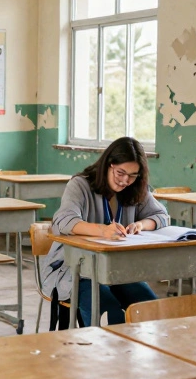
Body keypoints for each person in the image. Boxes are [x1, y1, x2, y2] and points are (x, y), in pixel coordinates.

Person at [45, 136, 166, 327]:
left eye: (133, 175)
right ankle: (98, 353)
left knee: (150, 307)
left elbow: (161, 216)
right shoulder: (80, 185)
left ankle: (130, 352)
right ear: (109, 165)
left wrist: (141, 224)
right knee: (108, 311)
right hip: (75, 269)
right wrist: (101, 230)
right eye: (121, 173)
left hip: (116, 268)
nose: (126, 180)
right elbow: (63, 221)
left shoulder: (134, 188)